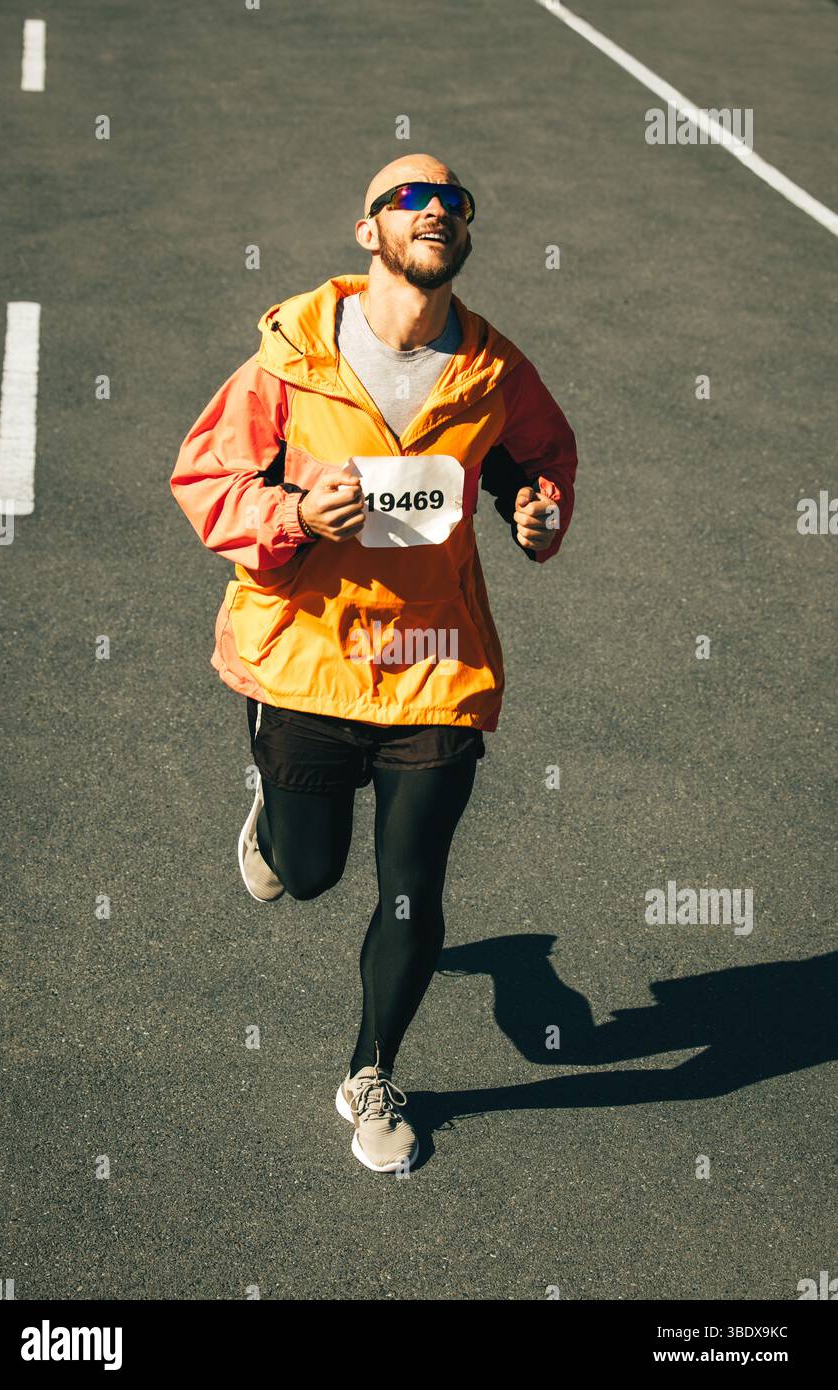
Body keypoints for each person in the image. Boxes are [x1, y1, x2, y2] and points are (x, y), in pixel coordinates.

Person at [170, 154, 578, 1174]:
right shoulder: (292, 356)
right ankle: (277, 815)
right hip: (307, 658)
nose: (436, 207)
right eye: (411, 196)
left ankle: (372, 1072)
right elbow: (205, 477)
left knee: (414, 887)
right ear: (369, 232)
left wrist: (538, 512)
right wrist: (297, 513)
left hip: (435, 665)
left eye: (455, 200)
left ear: (465, 238)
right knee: (309, 875)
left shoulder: (496, 371)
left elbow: (540, 460)